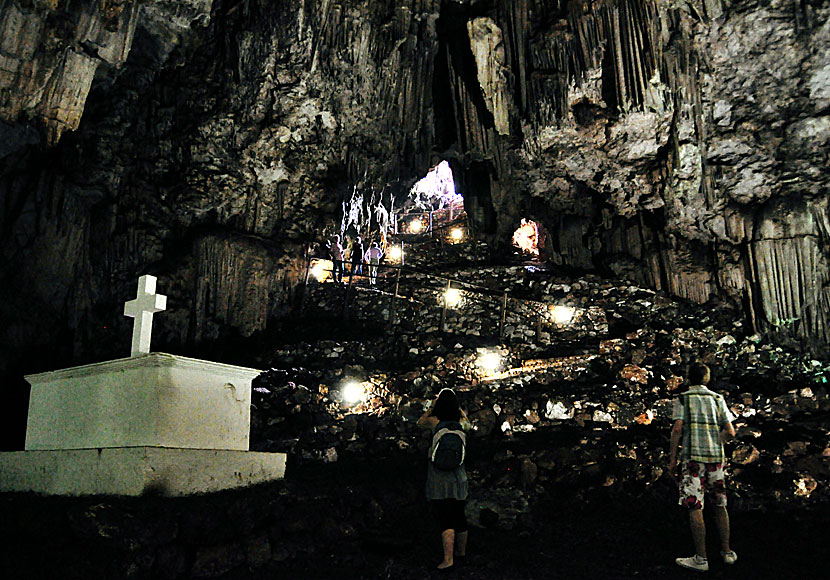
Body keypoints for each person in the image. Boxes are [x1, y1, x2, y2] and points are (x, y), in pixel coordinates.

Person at [668, 362, 737, 572]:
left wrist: (672, 459)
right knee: (720, 504)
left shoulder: (683, 398)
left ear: (689, 378)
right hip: (715, 458)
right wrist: (717, 441)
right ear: (707, 378)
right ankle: (726, 552)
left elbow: (677, 429)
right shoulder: (717, 399)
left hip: (692, 459)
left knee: (695, 506)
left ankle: (701, 558)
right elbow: (731, 432)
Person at [417, 388, 470, 571]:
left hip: (439, 477)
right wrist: (460, 410)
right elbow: (470, 425)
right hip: (459, 476)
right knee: (459, 514)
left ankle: (448, 559)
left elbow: (419, 423)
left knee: (445, 517)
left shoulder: (434, 422)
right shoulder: (461, 423)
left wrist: (431, 407)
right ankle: (461, 552)